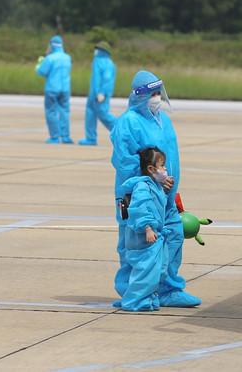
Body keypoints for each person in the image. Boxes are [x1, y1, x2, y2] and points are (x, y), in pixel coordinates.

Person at [109, 70, 200, 308]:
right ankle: (133, 292)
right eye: (153, 93)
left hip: (166, 196)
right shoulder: (128, 122)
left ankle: (168, 289)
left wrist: (168, 186)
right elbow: (125, 163)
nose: (157, 98)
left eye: (159, 93)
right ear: (141, 95)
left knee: (173, 236)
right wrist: (153, 181)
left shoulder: (163, 120)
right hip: (140, 197)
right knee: (137, 244)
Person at [117, 147, 169, 311]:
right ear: (151, 169)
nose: (165, 169)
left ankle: (148, 297)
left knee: (157, 269)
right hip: (143, 236)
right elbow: (140, 208)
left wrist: (164, 189)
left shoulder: (154, 185)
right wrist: (147, 228)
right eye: (162, 166)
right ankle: (133, 301)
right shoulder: (142, 186)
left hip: (154, 234)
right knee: (146, 271)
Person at [36, 35, 73, 144]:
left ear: (51, 45)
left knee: (51, 111)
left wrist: (39, 64)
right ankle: (65, 136)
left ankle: (55, 137)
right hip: (65, 88)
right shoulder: (67, 57)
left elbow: (41, 72)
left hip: (52, 88)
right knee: (64, 111)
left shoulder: (50, 58)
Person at [78, 41, 117, 146]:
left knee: (104, 115)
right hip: (93, 94)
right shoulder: (96, 61)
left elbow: (107, 79)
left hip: (100, 94)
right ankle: (90, 138)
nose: (96, 51)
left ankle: (122, 131)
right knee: (90, 114)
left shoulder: (108, 63)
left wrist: (103, 93)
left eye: (98, 49)